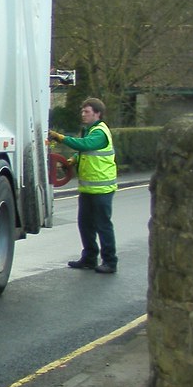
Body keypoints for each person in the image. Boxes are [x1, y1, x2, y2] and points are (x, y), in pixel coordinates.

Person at [48, 97, 118, 274]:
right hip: (88, 188)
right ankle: (89, 258)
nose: (83, 114)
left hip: (102, 189)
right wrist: (73, 160)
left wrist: (61, 137)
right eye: (82, 111)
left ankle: (110, 261)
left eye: (87, 112)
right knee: (85, 224)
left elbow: (85, 145)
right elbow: (85, 152)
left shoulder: (100, 132)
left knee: (103, 225)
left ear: (97, 113)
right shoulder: (89, 130)